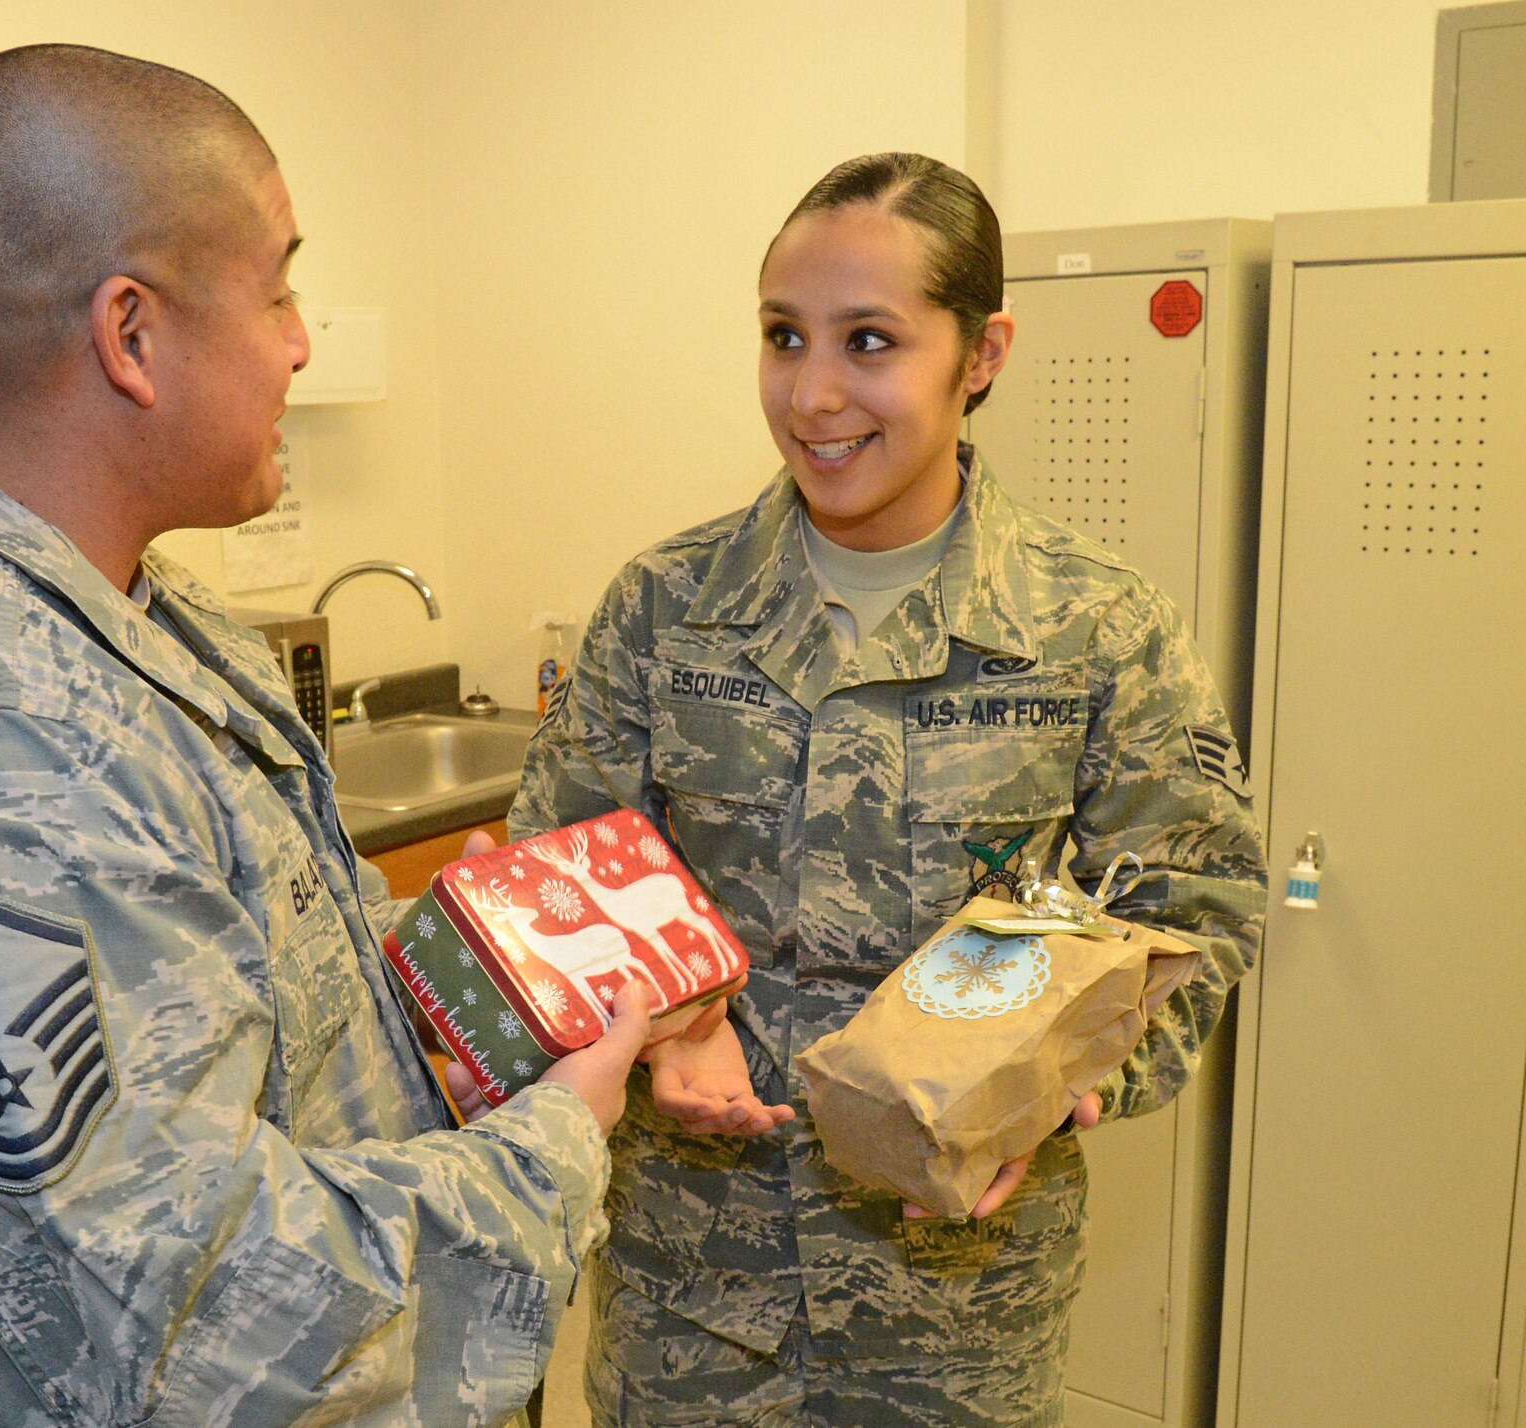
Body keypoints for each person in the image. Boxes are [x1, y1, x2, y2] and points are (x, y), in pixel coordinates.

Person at [0, 44, 660, 1427]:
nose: (304, 339)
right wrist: (560, 1138)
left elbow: (201, 1004)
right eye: (279, 290)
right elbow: (185, 1347)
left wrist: (414, 996)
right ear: (131, 336)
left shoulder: (114, 612)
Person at [512, 152, 1268, 1426]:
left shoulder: (1092, 625)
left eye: (868, 341)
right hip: (690, 1298)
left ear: (979, 355)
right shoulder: (665, 608)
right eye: (780, 336)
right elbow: (554, 875)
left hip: (955, 1314)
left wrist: (1058, 1090)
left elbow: (1194, 906)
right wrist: (668, 1031)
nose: (811, 394)